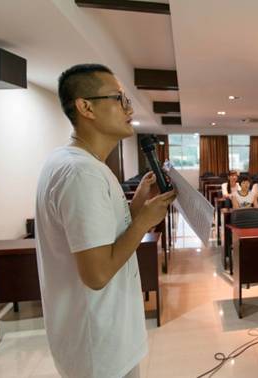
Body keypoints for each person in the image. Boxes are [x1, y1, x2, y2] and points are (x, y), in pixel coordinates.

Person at [35, 64, 176, 378]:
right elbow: (97, 274)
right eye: (119, 99)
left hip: (101, 335)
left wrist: (137, 205)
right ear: (86, 107)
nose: (129, 108)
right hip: (99, 343)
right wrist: (142, 223)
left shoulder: (81, 164)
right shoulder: (81, 173)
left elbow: (103, 236)